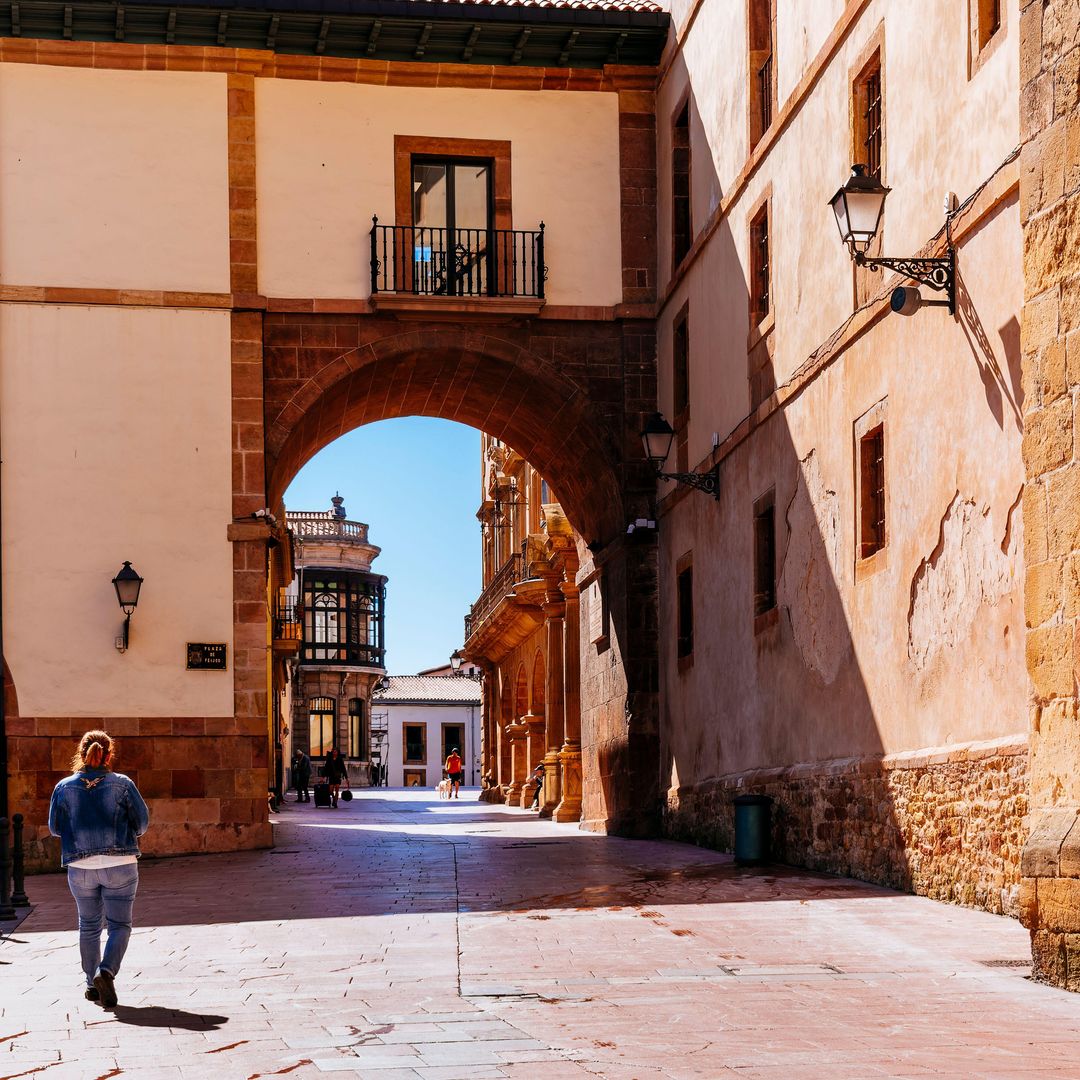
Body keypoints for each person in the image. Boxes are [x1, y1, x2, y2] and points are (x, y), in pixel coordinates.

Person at [47, 730, 150, 1009]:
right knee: (120, 925)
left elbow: (55, 829)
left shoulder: (63, 787)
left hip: (80, 867)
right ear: (109, 754)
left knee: (88, 926)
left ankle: (92, 984)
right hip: (121, 865)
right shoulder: (123, 784)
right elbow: (141, 824)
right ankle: (107, 971)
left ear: (82, 753)